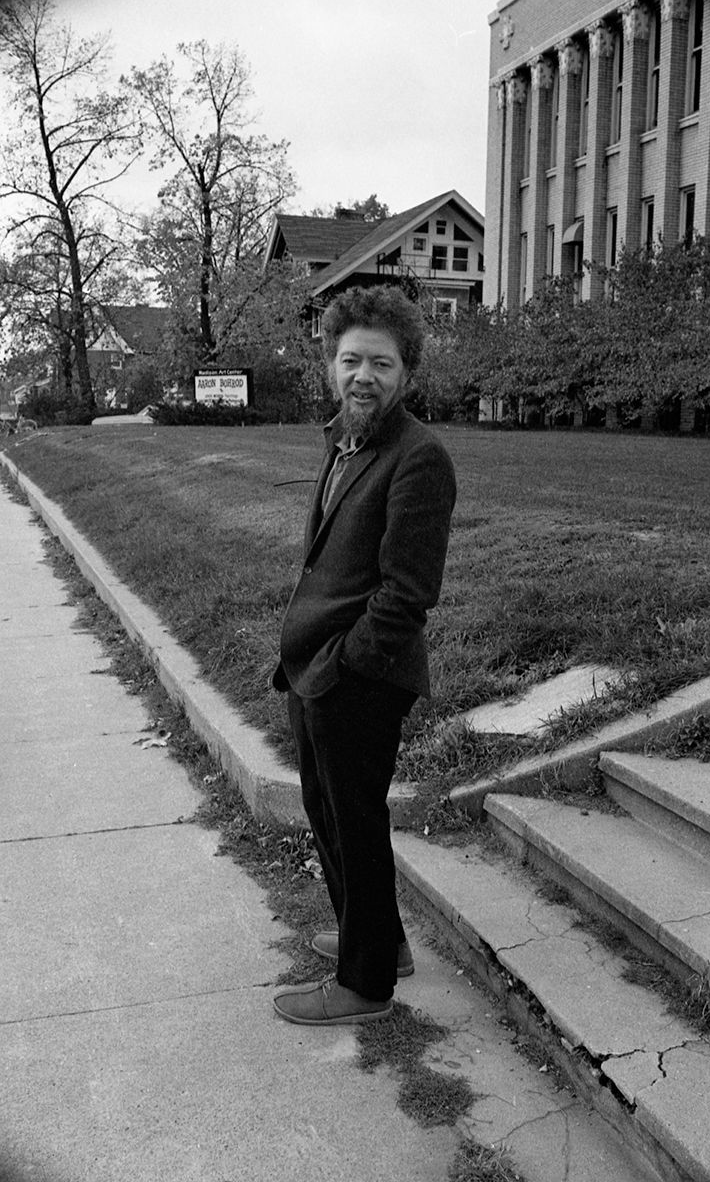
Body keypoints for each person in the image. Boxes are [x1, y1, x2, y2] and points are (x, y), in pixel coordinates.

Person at [271, 285, 456, 1026]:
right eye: (350, 361)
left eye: (380, 363)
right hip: (315, 670)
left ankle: (365, 983)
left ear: (405, 372)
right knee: (327, 811)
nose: (363, 376)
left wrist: (342, 666)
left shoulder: (419, 458)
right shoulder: (343, 439)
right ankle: (370, 936)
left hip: (360, 677)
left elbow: (407, 593)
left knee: (354, 821)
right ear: (330, 365)